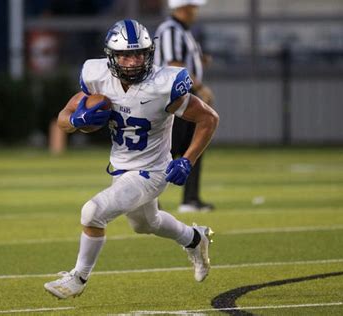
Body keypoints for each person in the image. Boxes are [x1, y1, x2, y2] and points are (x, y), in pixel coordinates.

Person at [44, 19, 219, 299]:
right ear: (111, 57)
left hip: (153, 170)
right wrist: (77, 120)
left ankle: (77, 278)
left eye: (139, 53)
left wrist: (188, 159)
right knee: (146, 224)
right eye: (125, 54)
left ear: (149, 53)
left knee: (93, 212)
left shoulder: (163, 85)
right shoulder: (96, 76)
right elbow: (64, 117)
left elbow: (209, 118)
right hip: (122, 168)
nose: (133, 61)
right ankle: (195, 239)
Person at [154, 0, 215, 213]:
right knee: (168, 150)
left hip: (184, 96)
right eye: (193, 6)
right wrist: (200, 86)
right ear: (184, 7)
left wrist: (199, 62)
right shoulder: (170, 30)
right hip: (175, 98)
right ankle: (150, 198)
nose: (196, 10)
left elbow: (183, 61)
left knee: (195, 146)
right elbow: (174, 65)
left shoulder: (181, 30)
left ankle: (190, 199)